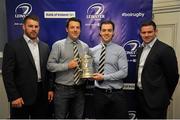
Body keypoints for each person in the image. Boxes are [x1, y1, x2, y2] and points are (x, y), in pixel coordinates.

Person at [2, 15, 54, 119]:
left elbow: (48, 71)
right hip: (21, 95)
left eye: (36, 26)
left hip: (42, 94)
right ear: (23, 27)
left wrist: (50, 89)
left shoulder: (45, 47)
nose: (33, 29)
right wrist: (14, 96)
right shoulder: (12, 46)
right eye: (30, 26)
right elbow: (7, 74)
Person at [47, 17, 90, 119]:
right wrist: (67, 66)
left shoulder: (85, 47)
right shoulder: (58, 45)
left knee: (78, 117)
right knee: (60, 117)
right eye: (72, 27)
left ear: (80, 29)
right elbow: (50, 66)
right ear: (67, 29)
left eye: (77, 27)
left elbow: (87, 67)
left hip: (79, 89)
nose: (75, 30)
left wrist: (87, 73)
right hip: (62, 89)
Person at [135, 20, 179, 119]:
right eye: (144, 32)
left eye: (150, 32)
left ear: (156, 32)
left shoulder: (165, 50)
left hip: (156, 101)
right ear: (140, 33)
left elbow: (173, 77)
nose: (146, 35)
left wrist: (165, 96)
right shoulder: (139, 49)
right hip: (140, 98)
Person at [91, 20, 129, 119]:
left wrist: (104, 77)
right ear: (100, 32)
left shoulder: (120, 50)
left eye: (109, 30)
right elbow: (91, 72)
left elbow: (124, 73)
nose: (106, 33)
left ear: (113, 32)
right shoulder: (92, 51)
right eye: (104, 30)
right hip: (99, 94)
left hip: (117, 94)